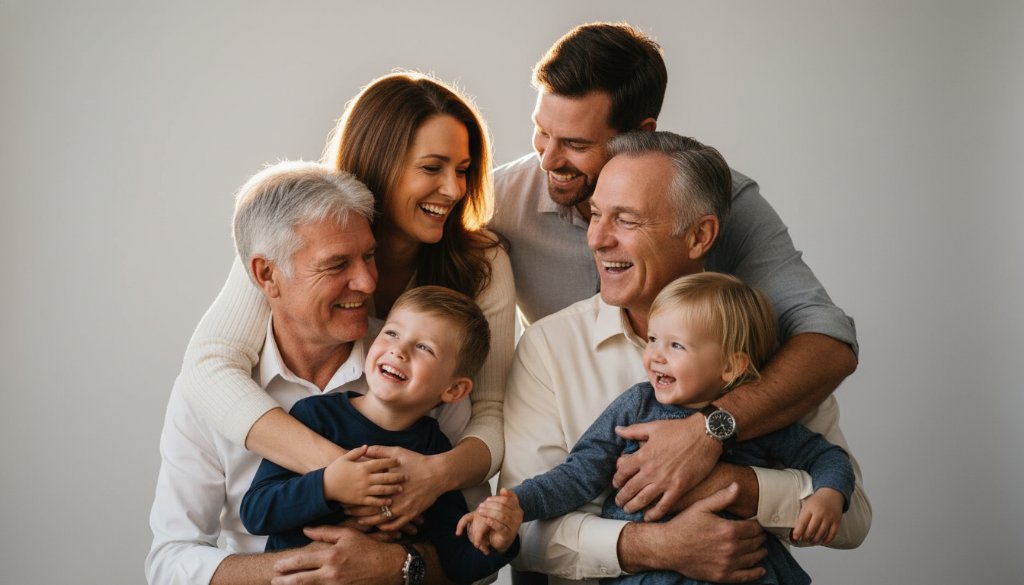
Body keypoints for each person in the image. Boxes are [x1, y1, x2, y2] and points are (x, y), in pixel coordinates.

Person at [500, 131, 871, 585]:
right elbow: (523, 534)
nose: (597, 239)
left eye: (627, 221)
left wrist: (735, 485)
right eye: (596, 214)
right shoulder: (548, 348)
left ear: (699, 236)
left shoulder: (763, 349)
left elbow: (853, 521)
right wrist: (662, 547)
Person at [177, 72, 515, 533]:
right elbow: (208, 367)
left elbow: (491, 410)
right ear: (381, 162)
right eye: (432, 168)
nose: (455, 190)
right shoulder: (293, 238)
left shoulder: (482, 263)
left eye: (462, 170)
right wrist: (346, 473)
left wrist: (433, 478)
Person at [147, 162, 467, 584]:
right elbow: (170, 562)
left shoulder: (418, 370)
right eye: (337, 265)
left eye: (369, 256)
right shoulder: (207, 391)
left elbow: (471, 548)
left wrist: (395, 565)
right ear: (267, 275)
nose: (369, 283)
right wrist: (303, 573)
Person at [467, 272, 854, 585]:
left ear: (732, 367)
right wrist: (518, 504)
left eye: (676, 346)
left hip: (744, 570)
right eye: (653, 339)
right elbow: (579, 474)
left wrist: (828, 495)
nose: (653, 356)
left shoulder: (756, 417)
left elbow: (825, 456)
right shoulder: (636, 405)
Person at [239, 285, 519, 584]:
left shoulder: (433, 452)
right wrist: (329, 485)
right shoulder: (315, 416)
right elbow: (256, 512)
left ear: (454, 390)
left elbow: (454, 562)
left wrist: (499, 541)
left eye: (425, 347)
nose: (399, 350)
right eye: (392, 333)